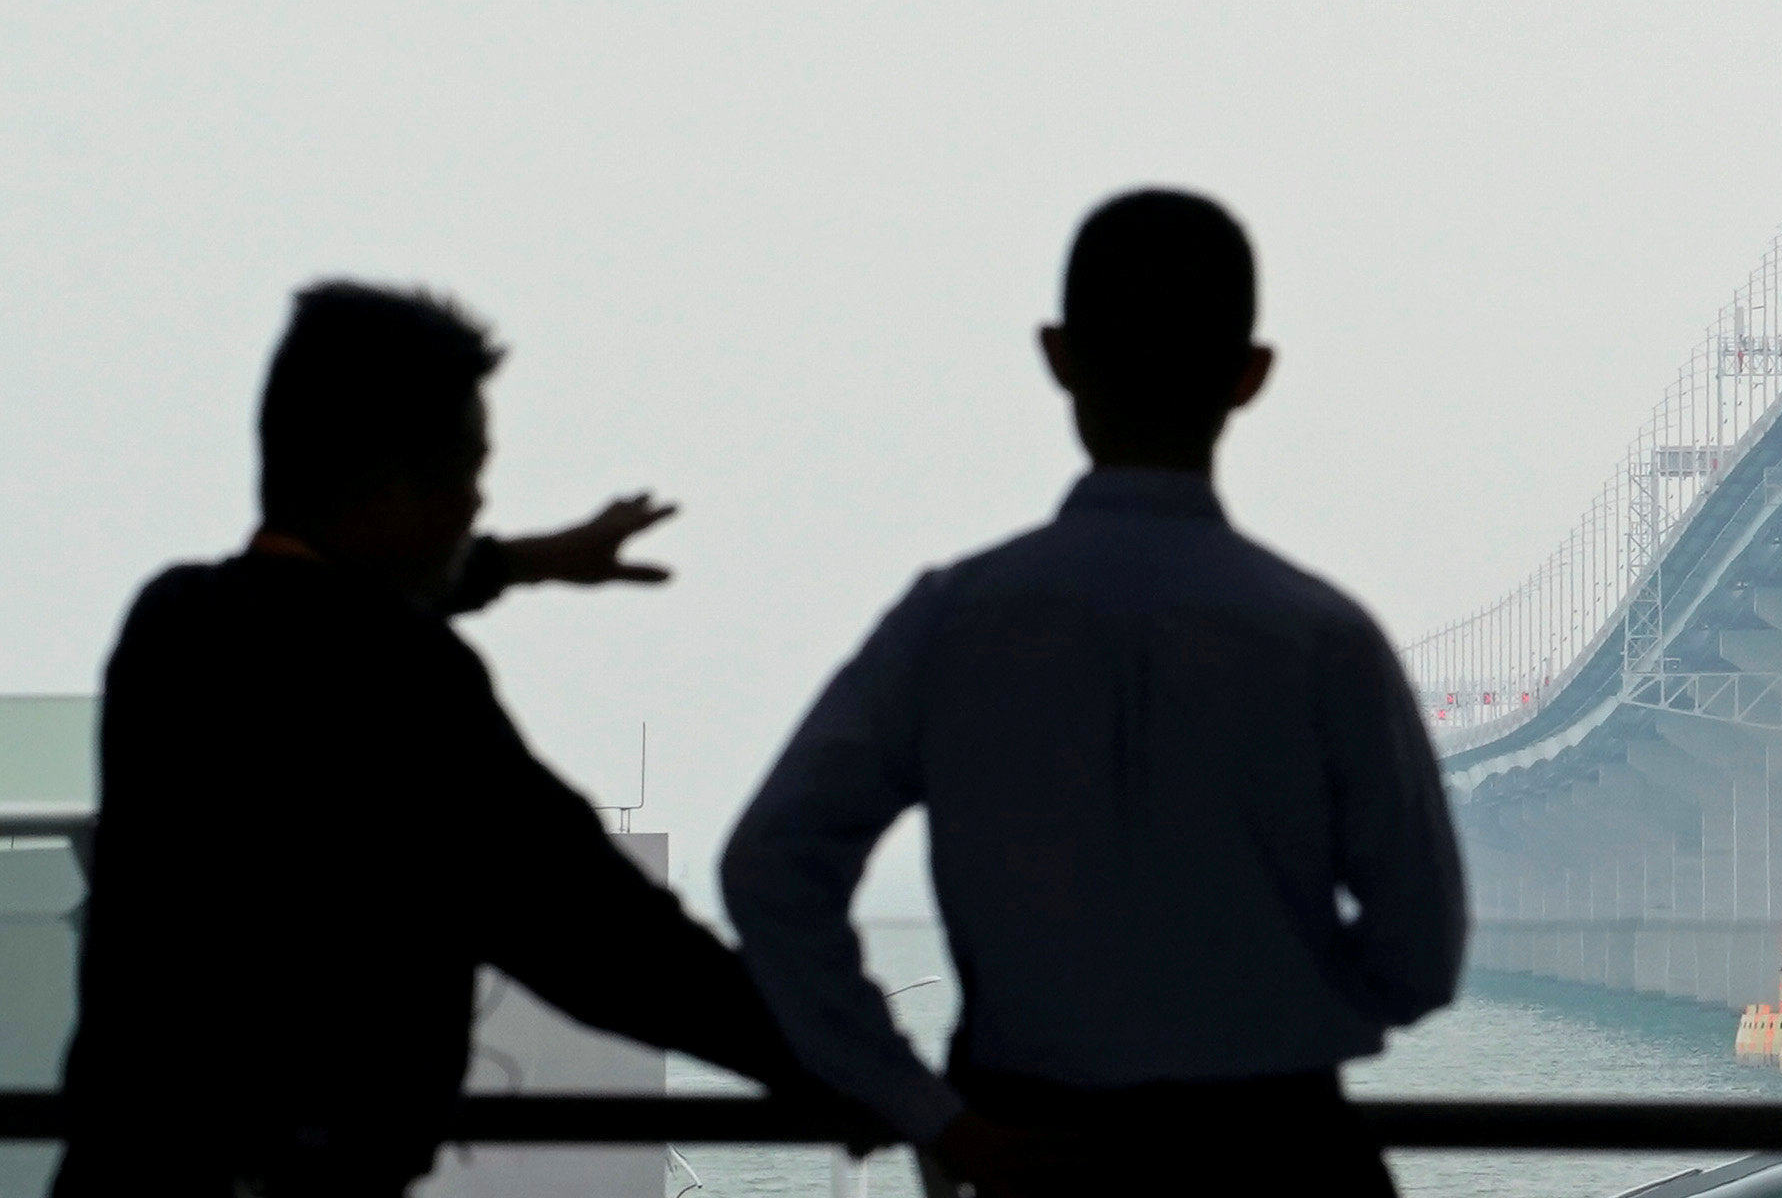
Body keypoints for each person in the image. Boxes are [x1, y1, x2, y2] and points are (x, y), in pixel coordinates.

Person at [725, 189, 1465, 1198]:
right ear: (1250, 376)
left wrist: (922, 1107)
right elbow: (1422, 955)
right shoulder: (1326, 639)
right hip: (1281, 1153)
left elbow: (771, 867)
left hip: (1029, 1153)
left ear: (1059, 356)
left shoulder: (951, 622)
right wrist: (1286, 1004)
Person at [57, 281, 862, 1197]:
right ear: (398, 481)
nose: (477, 501)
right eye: (469, 470)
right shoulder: (408, 682)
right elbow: (599, 935)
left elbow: (316, 615)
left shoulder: (174, 625)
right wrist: (837, 1057)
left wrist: (521, 563)